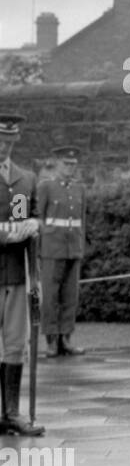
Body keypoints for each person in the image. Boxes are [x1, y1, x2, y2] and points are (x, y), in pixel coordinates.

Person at [0, 114, 44, 435]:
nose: (4, 146)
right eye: (0, 140)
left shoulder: (21, 180)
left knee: (15, 343)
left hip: (15, 274)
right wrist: (11, 232)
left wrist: (33, 224)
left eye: (9, 141)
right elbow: (13, 230)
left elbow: (23, 220)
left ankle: (11, 413)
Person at [38, 145, 86, 357]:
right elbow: (36, 217)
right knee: (50, 297)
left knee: (70, 297)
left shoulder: (79, 189)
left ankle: (66, 338)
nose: (70, 168)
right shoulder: (46, 187)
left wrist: (80, 246)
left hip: (72, 248)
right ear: (56, 164)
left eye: (73, 165)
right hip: (51, 249)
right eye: (66, 164)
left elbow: (81, 221)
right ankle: (51, 339)